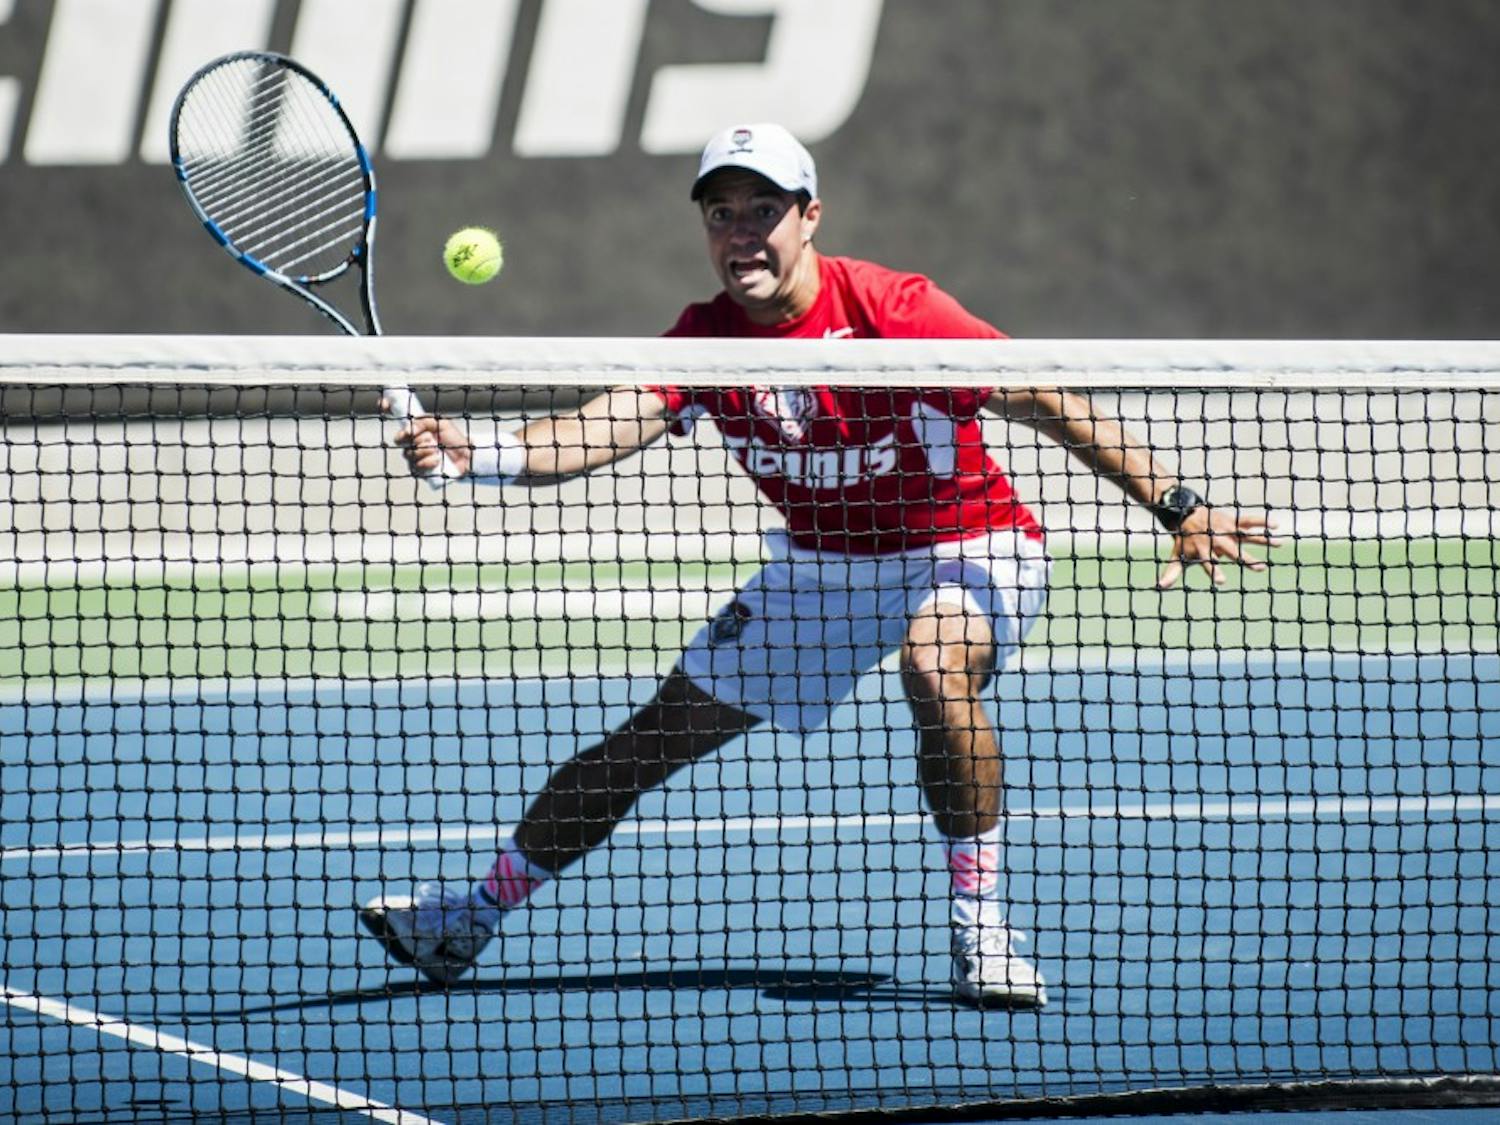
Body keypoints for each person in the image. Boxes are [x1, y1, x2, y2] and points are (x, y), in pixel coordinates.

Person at [360, 123, 1275, 1008]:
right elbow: (602, 426)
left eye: (763, 208)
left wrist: (1177, 506)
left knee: (934, 665)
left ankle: (981, 926)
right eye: (721, 213)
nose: (741, 231)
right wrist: (478, 451)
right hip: (820, 570)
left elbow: (1047, 398)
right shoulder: (704, 340)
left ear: (809, 216)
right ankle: (468, 919)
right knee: (647, 743)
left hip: (966, 546)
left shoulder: (895, 311)